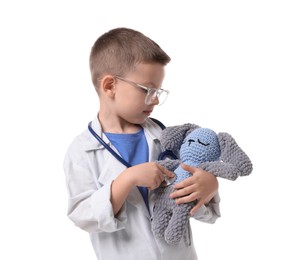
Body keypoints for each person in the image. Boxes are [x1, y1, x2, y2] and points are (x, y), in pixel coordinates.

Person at [63, 27, 220, 260]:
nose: (155, 99)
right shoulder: (82, 151)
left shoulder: (166, 137)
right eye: (148, 90)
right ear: (109, 86)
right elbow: (84, 215)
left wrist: (209, 187)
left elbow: (198, 205)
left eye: (158, 91)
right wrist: (128, 179)